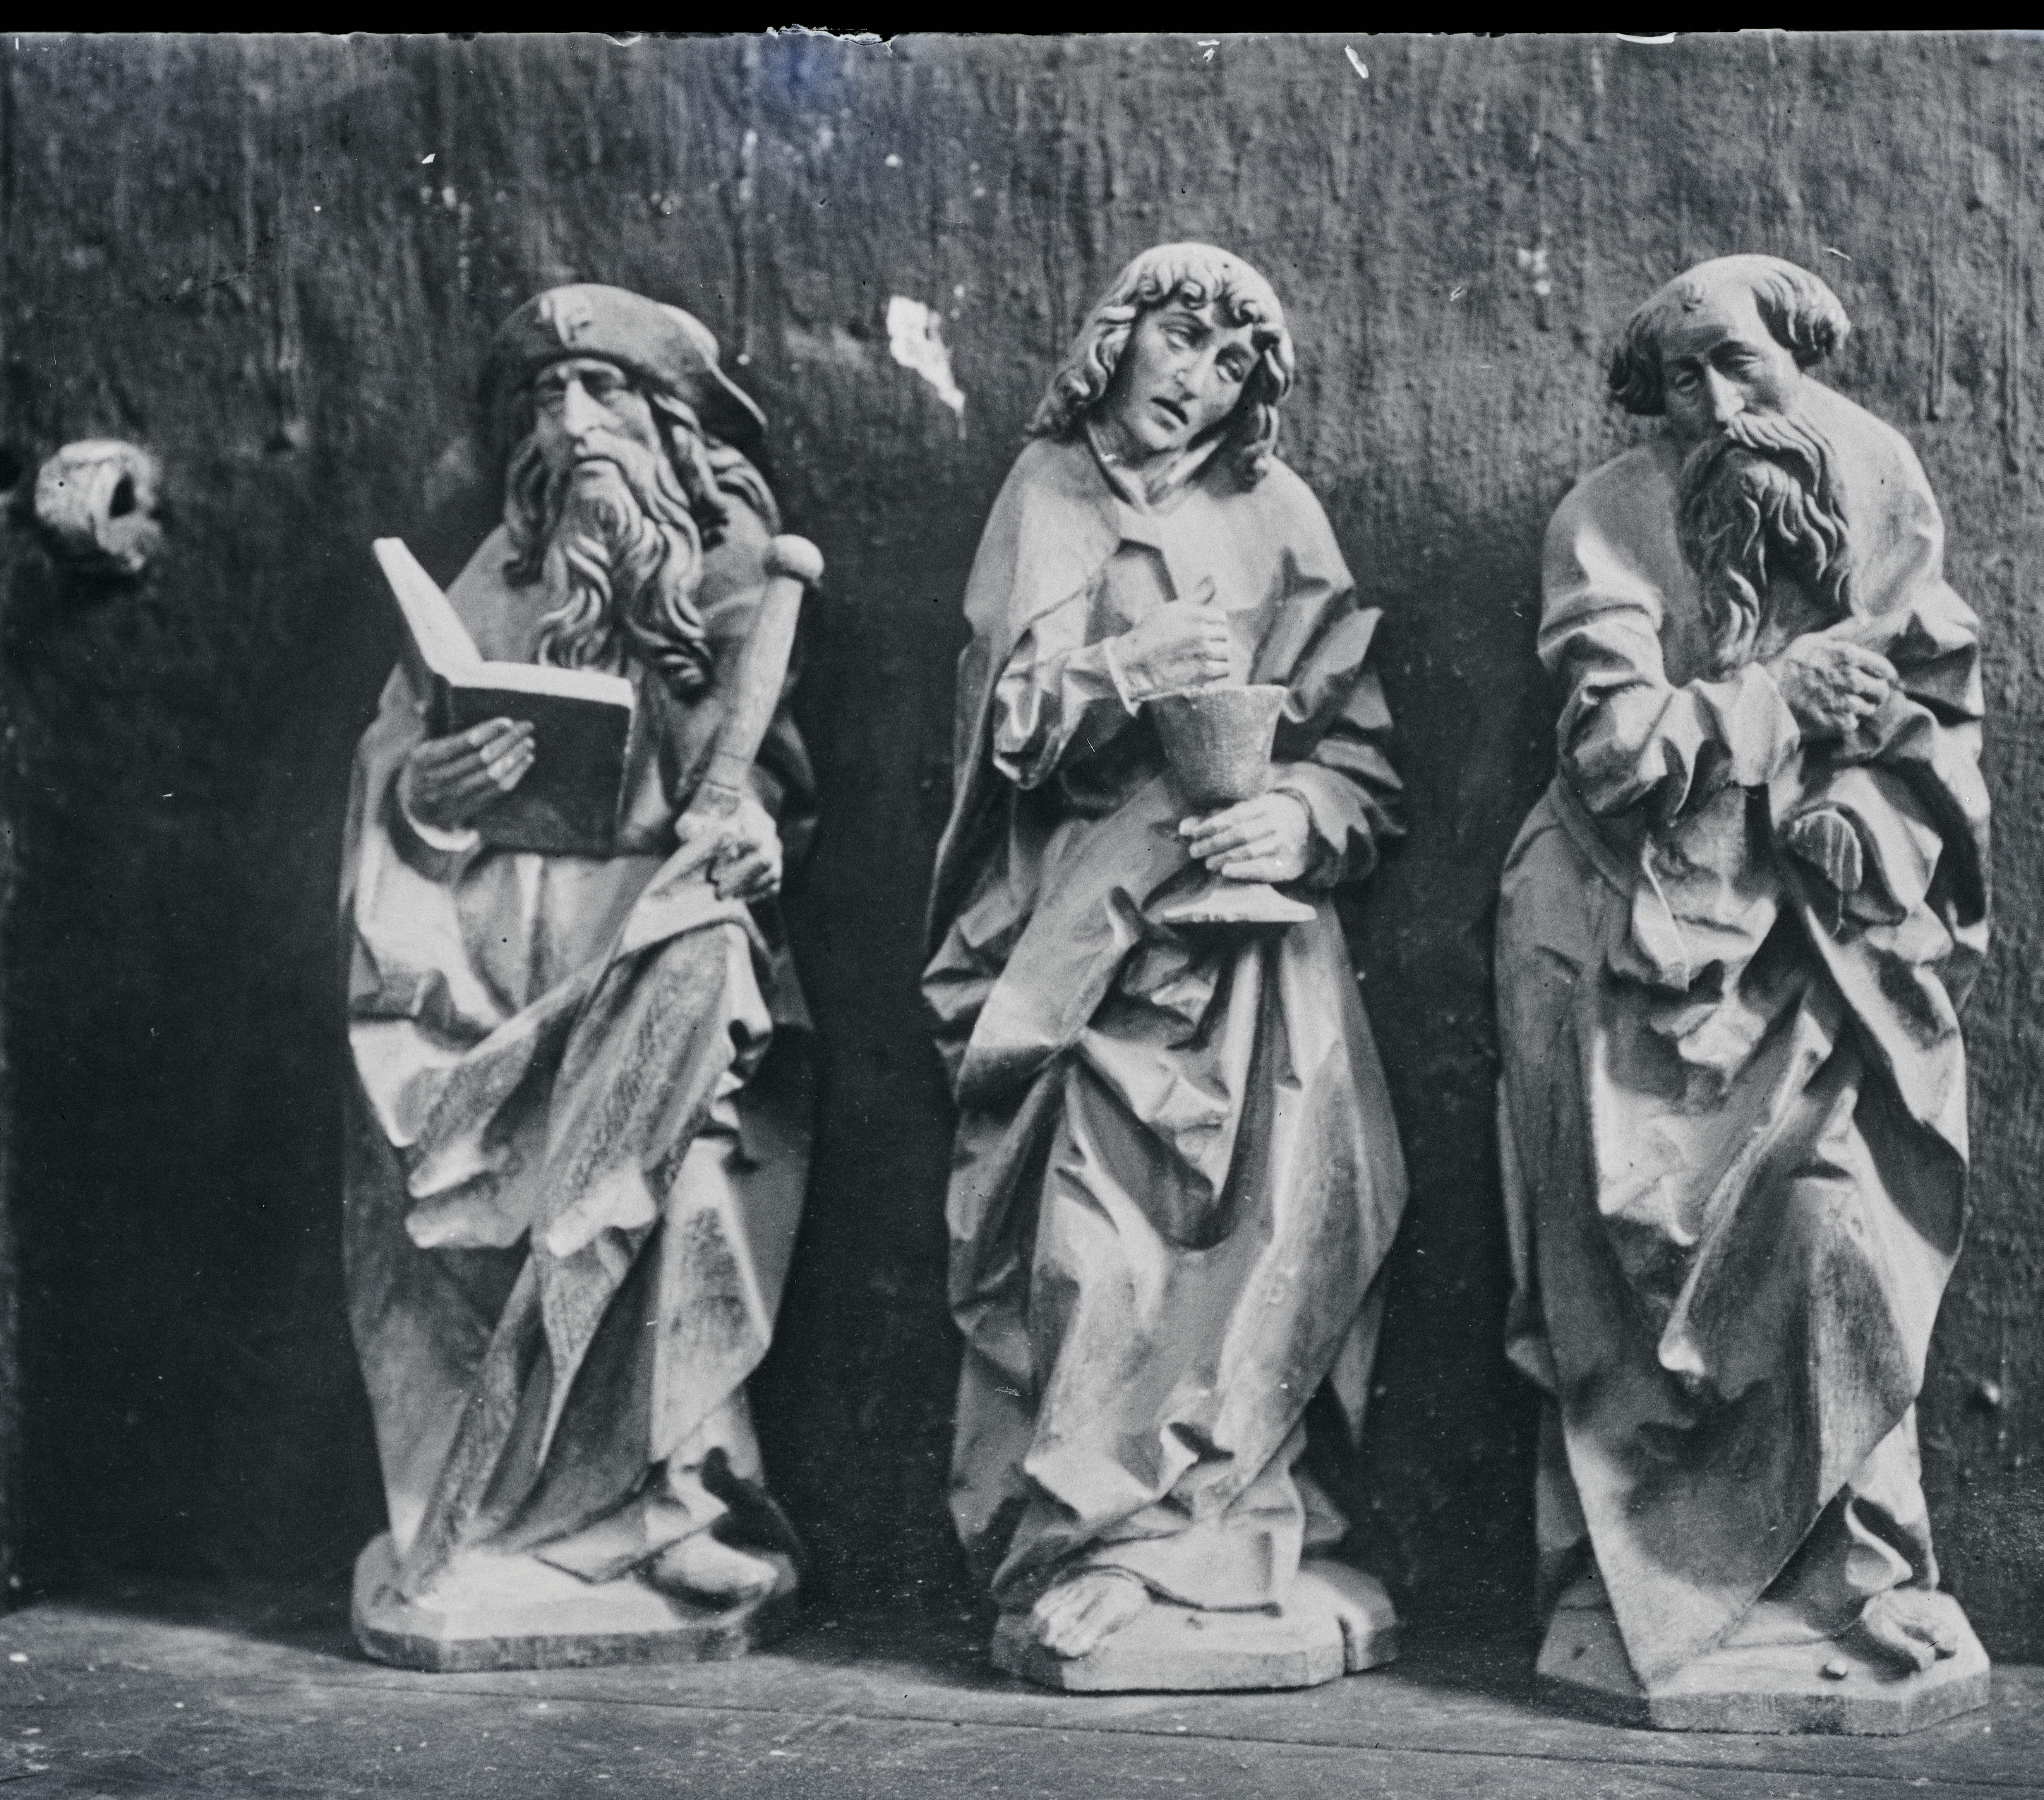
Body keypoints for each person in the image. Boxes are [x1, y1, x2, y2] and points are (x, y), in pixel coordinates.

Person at [1497, 255, 1994, 1704]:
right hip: (1621, 940)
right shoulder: (1607, 519)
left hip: (1815, 952)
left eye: (1740, 363)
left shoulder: (1875, 475)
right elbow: (1614, 749)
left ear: (1801, 354)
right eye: (1681, 381)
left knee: (1841, 1231)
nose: (1715, 404)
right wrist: (1778, 698)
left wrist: (1870, 819)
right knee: (1629, 1285)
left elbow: (1930, 708)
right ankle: (1636, 1585)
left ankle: (1860, 1570)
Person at [924, 243, 1407, 1669]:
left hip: (1254, 943)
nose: (1196, 381)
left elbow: (1360, 752)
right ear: (1115, 338)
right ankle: (1093, 1541)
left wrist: (1299, 815)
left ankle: (1216, 1538)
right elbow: (1004, 733)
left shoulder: (1280, 512)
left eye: (1231, 363)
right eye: (1179, 340)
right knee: (1094, 1244)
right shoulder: (1050, 492)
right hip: (1084, 936)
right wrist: (1130, 669)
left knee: (1289, 1219)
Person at [341, 284, 816, 1636]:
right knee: (455, 1179)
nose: (574, 420)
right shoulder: (495, 580)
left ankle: (674, 1505)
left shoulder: (733, 571)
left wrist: (749, 829)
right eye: (551, 398)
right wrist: (430, 792)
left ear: (670, 425)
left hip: (653, 935)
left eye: (605, 391)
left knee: (683, 1142)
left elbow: (768, 780)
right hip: (486, 956)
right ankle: (482, 1516)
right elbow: (394, 761)